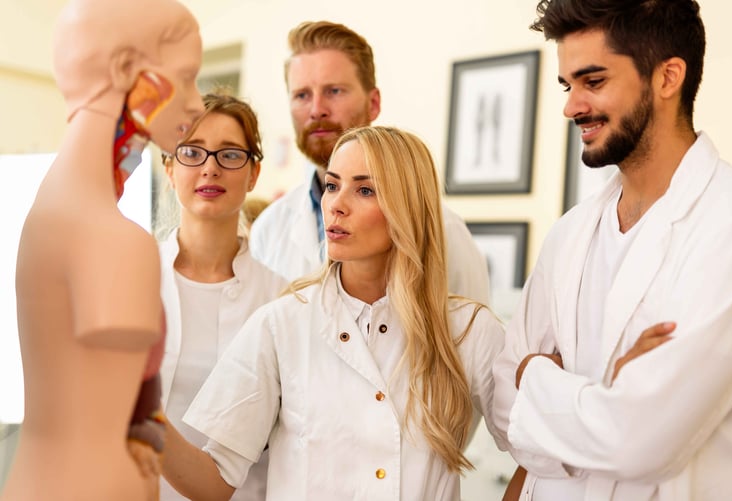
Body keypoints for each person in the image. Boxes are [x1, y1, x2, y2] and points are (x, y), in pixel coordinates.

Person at [492, 1, 732, 500]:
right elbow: (506, 410)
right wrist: (605, 394)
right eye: (569, 86)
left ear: (667, 77)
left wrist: (538, 377)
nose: (571, 106)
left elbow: (643, 440)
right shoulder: (569, 234)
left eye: (594, 82)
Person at [161, 125, 506, 500]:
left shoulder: (469, 330)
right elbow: (214, 481)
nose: (336, 205)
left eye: (364, 190)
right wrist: (142, 415)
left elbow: (541, 451)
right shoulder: (281, 325)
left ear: (407, 207)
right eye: (331, 185)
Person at [0, 0, 204, 500]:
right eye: (188, 76)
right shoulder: (111, 239)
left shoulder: (48, 216)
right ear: (124, 71)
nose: (198, 103)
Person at [250, 21, 491, 304]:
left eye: (334, 91)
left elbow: (469, 339)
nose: (316, 110)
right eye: (302, 95)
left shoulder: (444, 231)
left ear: (373, 103)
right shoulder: (270, 229)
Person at [158, 93, 287, 500]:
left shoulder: (282, 300)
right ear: (169, 167)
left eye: (230, 155)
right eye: (192, 152)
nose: (210, 168)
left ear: (253, 174)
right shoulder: (128, 281)